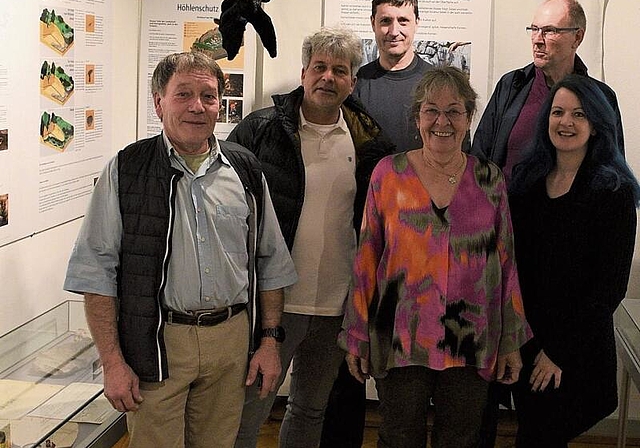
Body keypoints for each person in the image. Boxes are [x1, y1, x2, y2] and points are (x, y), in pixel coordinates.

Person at [63, 51, 297, 448]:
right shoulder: (126, 169)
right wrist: (113, 362)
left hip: (230, 342)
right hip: (156, 342)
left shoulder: (245, 169)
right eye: (183, 94)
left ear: (219, 104)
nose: (197, 106)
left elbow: (270, 261)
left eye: (208, 96)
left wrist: (270, 342)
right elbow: (95, 271)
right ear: (158, 102)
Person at [339, 66, 531, 448]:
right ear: (417, 117)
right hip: (401, 335)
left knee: (460, 439)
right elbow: (366, 260)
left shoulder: (489, 179)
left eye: (453, 111)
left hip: (470, 337)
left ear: (468, 117)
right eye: (431, 111)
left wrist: (510, 340)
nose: (442, 121)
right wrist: (357, 335)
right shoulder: (387, 174)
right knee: (397, 437)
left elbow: (506, 265)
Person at [227, 28, 393, 448]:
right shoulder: (260, 131)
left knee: (309, 410)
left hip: (336, 305)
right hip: (276, 305)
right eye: (319, 67)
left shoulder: (367, 142)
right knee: (252, 408)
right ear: (303, 73)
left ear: (352, 82)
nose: (327, 77)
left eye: (340, 70)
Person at [509, 75, 639, 447]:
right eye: (558, 112)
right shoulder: (527, 181)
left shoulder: (612, 191)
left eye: (579, 114)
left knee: (542, 436)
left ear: (596, 124)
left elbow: (608, 287)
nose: (565, 122)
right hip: (527, 342)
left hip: (573, 350)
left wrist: (558, 352)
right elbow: (516, 267)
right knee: (533, 433)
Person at [471, 0, 624, 185]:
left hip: (571, 211)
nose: (537, 40)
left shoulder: (601, 97)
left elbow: (613, 173)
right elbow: (480, 156)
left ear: (577, 37)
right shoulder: (511, 85)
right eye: (534, 29)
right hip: (505, 210)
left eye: (549, 31)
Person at [352, 0, 433, 153]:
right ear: (372, 23)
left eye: (403, 21)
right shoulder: (356, 84)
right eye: (385, 21)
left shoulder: (437, 84)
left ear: (416, 23)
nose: (394, 31)